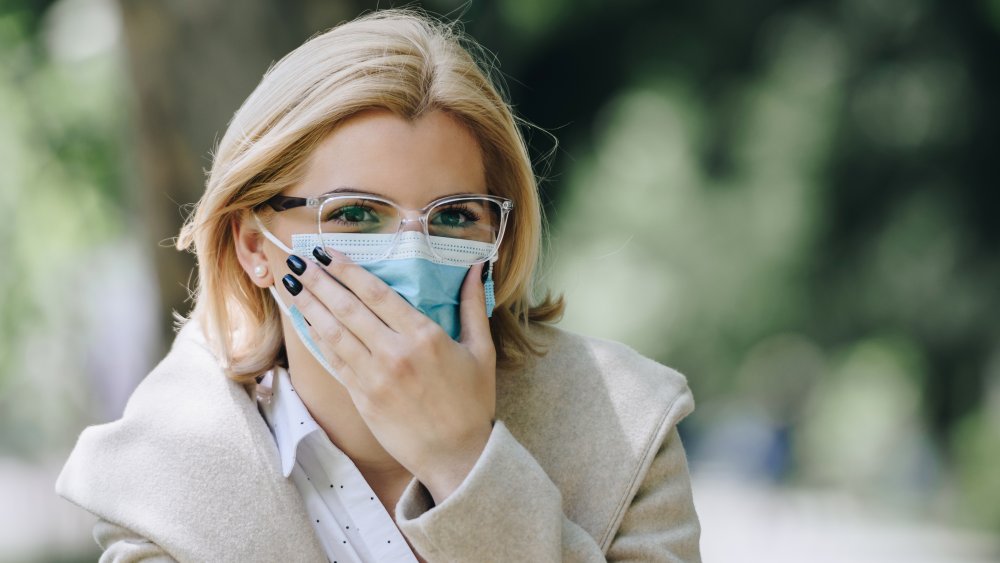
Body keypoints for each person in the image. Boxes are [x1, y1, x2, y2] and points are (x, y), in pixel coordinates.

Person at [56, 9, 701, 562]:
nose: (412, 256)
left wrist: (465, 464)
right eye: (355, 214)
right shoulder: (160, 480)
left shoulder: (627, 430)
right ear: (255, 246)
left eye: (454, 216)